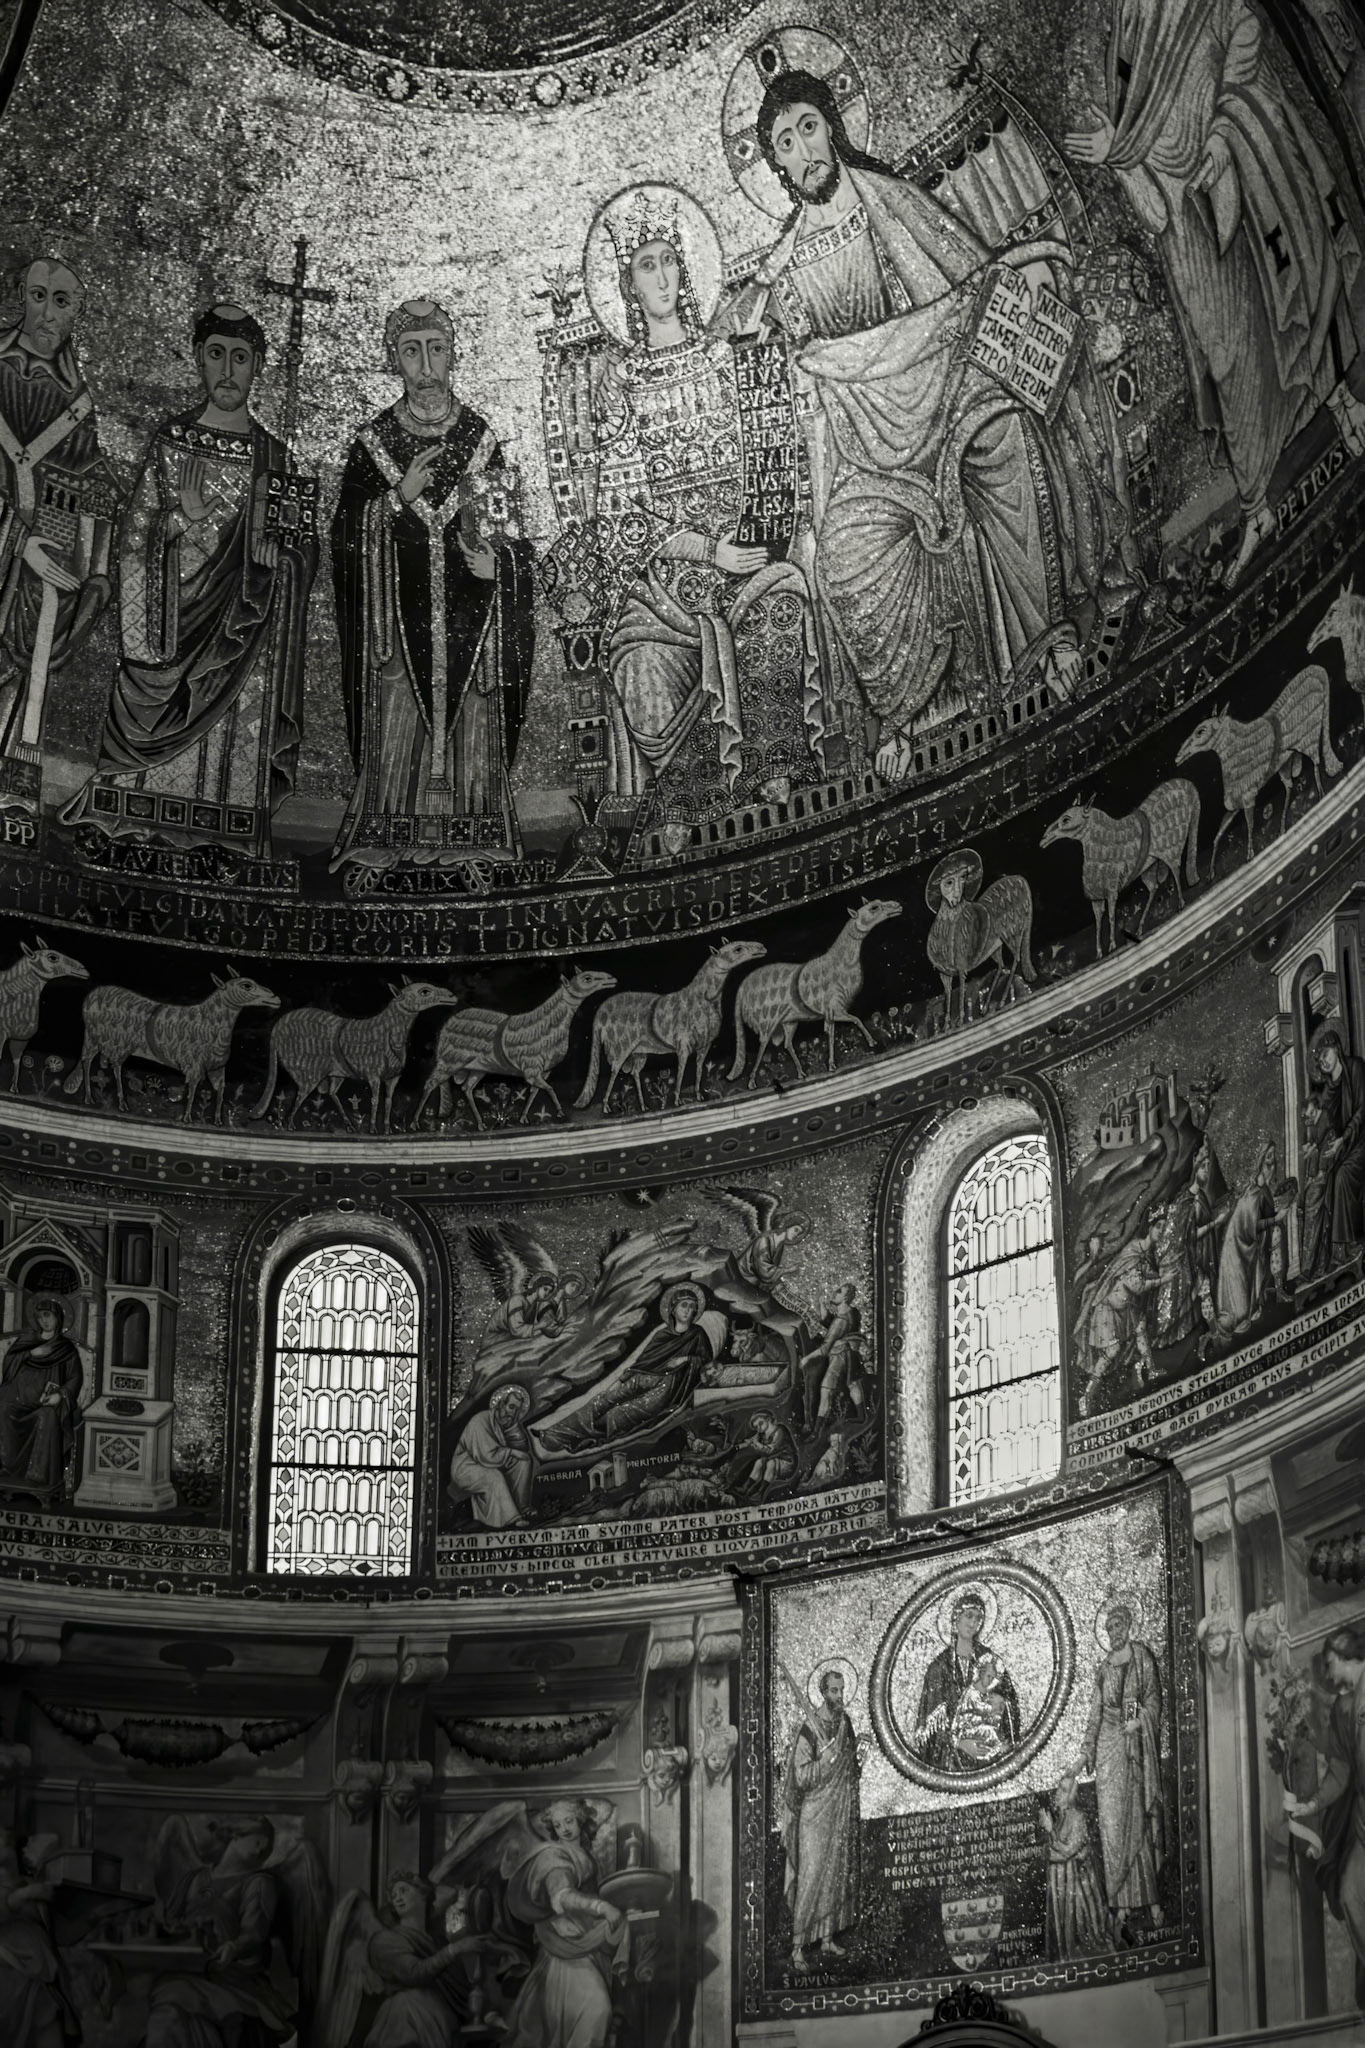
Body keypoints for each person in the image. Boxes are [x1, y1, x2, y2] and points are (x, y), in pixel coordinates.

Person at [721, 72, 1131, 776]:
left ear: (832, 127)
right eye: (785, 143)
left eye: (809, 127)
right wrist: (769, 299)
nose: (804, 150)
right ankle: (909, 715)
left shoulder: (892, 202)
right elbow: (761, 357)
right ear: (777, 166)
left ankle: (1050, 640)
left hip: (948, 397)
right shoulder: (781, 266)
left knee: (1006, 444)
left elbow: (971, 282)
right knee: (846, 556)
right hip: (863, 453)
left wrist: (1023, 270)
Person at [1065, 0, 1365, 590]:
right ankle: (1257, 505)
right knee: (1224, 351)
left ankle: (1343, 403)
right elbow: (1130, 125)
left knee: (1293, 288)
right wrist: (1117, 152)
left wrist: (1226, 129)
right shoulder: (1123, 29)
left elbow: (1245, 26)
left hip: (1243, 174)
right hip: (1185, 219)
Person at [592, 189, 824, 816]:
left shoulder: (726, 360)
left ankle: (777, 772)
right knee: (639, 666)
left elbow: (776, 454)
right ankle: (694, 802)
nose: (662, 276)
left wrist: (763, 530)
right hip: (669, 590)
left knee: (778, 605)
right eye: (647, 265)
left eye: (669, 259)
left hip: (750, 557)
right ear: (628, 286)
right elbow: (622, 517)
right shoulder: (622, 389)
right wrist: (706, 550)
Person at [64, 304, 316, 860]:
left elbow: (303, 551)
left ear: (259, 367)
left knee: (235, 737)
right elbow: (133, 540)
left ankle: (222, 841)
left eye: (241, 358)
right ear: (198, 359)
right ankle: (125, 821)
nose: (228, 370)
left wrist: (281, 558)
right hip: (168, 628)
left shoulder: (277, 457)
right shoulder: (170, 440)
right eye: (217, 355)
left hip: (240, 639)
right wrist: (180, 520)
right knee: (146, 702)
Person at [330, 298, 534, 872]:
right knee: (398, 710)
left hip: (473, 630)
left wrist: (503, 567)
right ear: (394, 359)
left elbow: (513, 534)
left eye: (435, 349)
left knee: (472, 709)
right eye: (411, 351)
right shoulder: (372, 444)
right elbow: (343, 541)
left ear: (453, 355)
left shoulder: (482, 439)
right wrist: (397, 499)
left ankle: (476, 837)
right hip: (398, 626)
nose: (425, 364)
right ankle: (387, 837)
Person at [0, 258, 114, 792]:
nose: (48, 312)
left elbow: (95, 486)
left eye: (62, 302)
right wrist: (20, 544)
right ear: (19, 295)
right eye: (39, 295)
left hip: (47, 568)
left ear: (77, 313)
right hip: (15, 551)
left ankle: (13, 788)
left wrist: (96, 573)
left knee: (36, 648)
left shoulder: (77, 400)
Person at [147, 1817, 299, 2048]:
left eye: (267, 1846)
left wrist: (233, 1947)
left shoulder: (259, 1883)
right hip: (187, 1972)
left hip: (235, 1980)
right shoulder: (196, 1878)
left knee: (174, 2008)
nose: (263, 1849)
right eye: (258, 1841)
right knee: (166, 2014)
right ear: (236, 1837)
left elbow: (254, 1934)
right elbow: (171, 1922)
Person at [503, 1799, 626, 2048]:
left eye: (569, 1821)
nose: (565, 1829)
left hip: (587, 1941)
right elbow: (562, 1897)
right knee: (597, 2009)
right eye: (558, 1825)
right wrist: (602, 1907)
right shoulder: (553, 1855)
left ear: (579, 1820)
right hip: (565, 1949)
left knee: (594, 2015)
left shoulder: (584, 1853)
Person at [1077, 1601, 1167, 1942]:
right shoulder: (1103, 1668)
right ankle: (1121, 1903)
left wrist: (1139, 1722)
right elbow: (1095, 1714)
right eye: (1109, 1628)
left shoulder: (1142, 1657)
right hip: (1108, 1750)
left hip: (1135, 1749)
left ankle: (1151, 1901)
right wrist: (1087, 1749)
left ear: (1128, 1626)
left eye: (1118, 1627)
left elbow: (1155, 1700)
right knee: (1113, 1828)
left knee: (1139, 1824)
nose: (1114, 1633)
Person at [1286, 1622, 1365, 2009]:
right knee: (1350, 1893)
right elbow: (1339, 1769)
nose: (1328, 1672)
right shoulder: (1342, 1709)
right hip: (1364, 1817)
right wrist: (1313, 1804)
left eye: (1330, 1662)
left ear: (1348, 1656)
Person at [542, 1281, 718, 1448]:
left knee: (618, 1413)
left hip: (667, 1386)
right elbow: (643, 1361)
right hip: (642, 1377)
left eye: (692, 1306)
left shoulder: (697, 1334)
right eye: (684, 1305)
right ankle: (555, 1433)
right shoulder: (661, 1335)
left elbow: (707, 1363)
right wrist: (621, 1380)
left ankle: (581, 1440)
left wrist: (685, 1359)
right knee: (601, 1400)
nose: (688, 1310)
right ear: (673, 1309)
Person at [781, 1666, 861, 1968]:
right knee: (812, 1875)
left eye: (841, 1690)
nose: (838, 1696)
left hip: (839, 1811)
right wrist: (824, 1763)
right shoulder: (809, 1728)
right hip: (814, 1815)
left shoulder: (845, 1725)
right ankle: (797, 1946)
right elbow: (800, 1777)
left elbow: (849, 1769)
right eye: (833, 1690)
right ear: (823, 1692)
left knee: (835, 1874)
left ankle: (827, 1939)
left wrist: (856, 1764)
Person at [363, 1870, 492, 2048]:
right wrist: (454, 1950)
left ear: (421, 1892)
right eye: (393, 1896)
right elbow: (413, 1972)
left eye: (403, 1891)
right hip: (407, 2016)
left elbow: (460, 1991)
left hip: (440, 2018)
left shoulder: (438, 1942)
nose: (397, 1898)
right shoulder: (385, 1940)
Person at [912, 1591, 1022, 1774]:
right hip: (952, 1761)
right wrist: (960, 1743)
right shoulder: (938, 1669)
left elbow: (1012, 1707)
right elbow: (929, 1729)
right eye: (969, 1616)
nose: (973, 1623)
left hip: (991, 1755)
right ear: (956, 1618)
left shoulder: (991, 1661)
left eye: (979, 1618)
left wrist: (1001, 1703)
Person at [0, 1297, 84, 1505]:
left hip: (45, 1404)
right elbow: (9, 1366)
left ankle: (39, 1476)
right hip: (17, 1402)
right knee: (2, 1408)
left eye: (48, 1316)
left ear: (59, 1318)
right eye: (40, 1317)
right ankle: (7, 1468)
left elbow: (75, 1378)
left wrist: (61, 1395)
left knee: (47, 1417)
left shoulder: (66, 1348)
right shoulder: (27, 1340)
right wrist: (30, 1353)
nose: (44, 1321)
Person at [1072, 1223, 1162, 1414]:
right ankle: (1086, 1396)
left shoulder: (1146, 1255)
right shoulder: (1133, 1251)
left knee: (1140, 1328)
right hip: (1108, 1309)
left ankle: (1150, 1368)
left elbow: (1146, 1274)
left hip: (1126, 1307)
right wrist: (1162, 1280)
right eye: (1158, 1226)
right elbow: (1135, 1285)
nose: (1161, 1231)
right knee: (1112, 1349)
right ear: (1150, 1227)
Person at [1215, 1139, 1289, 1331]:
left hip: (1252, 1247)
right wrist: (1276, 1219)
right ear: (1260, 1162)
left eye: (1273, 1163)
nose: (1271, 1168)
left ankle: (1256, 1305)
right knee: (1239, 1312)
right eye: (1268, 1162)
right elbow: (1251, 1227)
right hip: (1238, 1249)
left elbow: (1266, 1214)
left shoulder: (1263, 1191)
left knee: (1257, 1283)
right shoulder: (1252, 1194)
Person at [1041, 1769, 1110, 1960]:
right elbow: (1051, 1851)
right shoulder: (1061, 1818)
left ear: (1072, 1795)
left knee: (1082, 1930)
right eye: (1058, 1789)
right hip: (1062, 1884)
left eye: (1063, 1790)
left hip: (1078, 1888)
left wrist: (1050, 1831)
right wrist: (1051, 1832)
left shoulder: (1077, 1817)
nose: (1058, 1794)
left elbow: (1068, 1851)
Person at [448, 1384, 535, 1528]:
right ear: (501, 1404)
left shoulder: (505, 1424)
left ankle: (521, 1507)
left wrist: (514, 1430)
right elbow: (487, 1455)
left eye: (517, 1411)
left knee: (523, 1463)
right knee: (494, 1476)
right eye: (511, 1407)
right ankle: (512, 1518)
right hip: (466, 1467)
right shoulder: (480, 1420)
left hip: (488, 1462)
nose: (513, 1414)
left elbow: (522, 1448)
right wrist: (512, 1452)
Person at [1313, 1029, 1365, 1262]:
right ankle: (1336, 1251)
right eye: (1319, 1059)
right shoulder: (1329, 1092)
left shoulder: (1356, 1068)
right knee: (1329, 1179)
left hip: (1361, 1137)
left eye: (1325, 1054)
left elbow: (1363, 1109)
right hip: (1346, 1146)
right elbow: (1325, 1124)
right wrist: (1315, 1145)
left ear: (1336, 1047)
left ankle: (1351, 1241)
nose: (1323, 1060)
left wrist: (1345, 1138)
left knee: (1343, 1175)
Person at [798, 1283, 863, 1428]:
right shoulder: (850, 1313)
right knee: (853, 1384)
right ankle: (861, 1416)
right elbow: (829, 1322)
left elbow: (825, 1347)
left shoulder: (841, 1321)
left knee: (826, 1389)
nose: (835, 1292)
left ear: (845, 1297)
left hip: (840, 1356)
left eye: (839, 1291)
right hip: (849, 1354)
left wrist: (806, 1359)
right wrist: (821, 1304)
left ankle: (817, 1430)